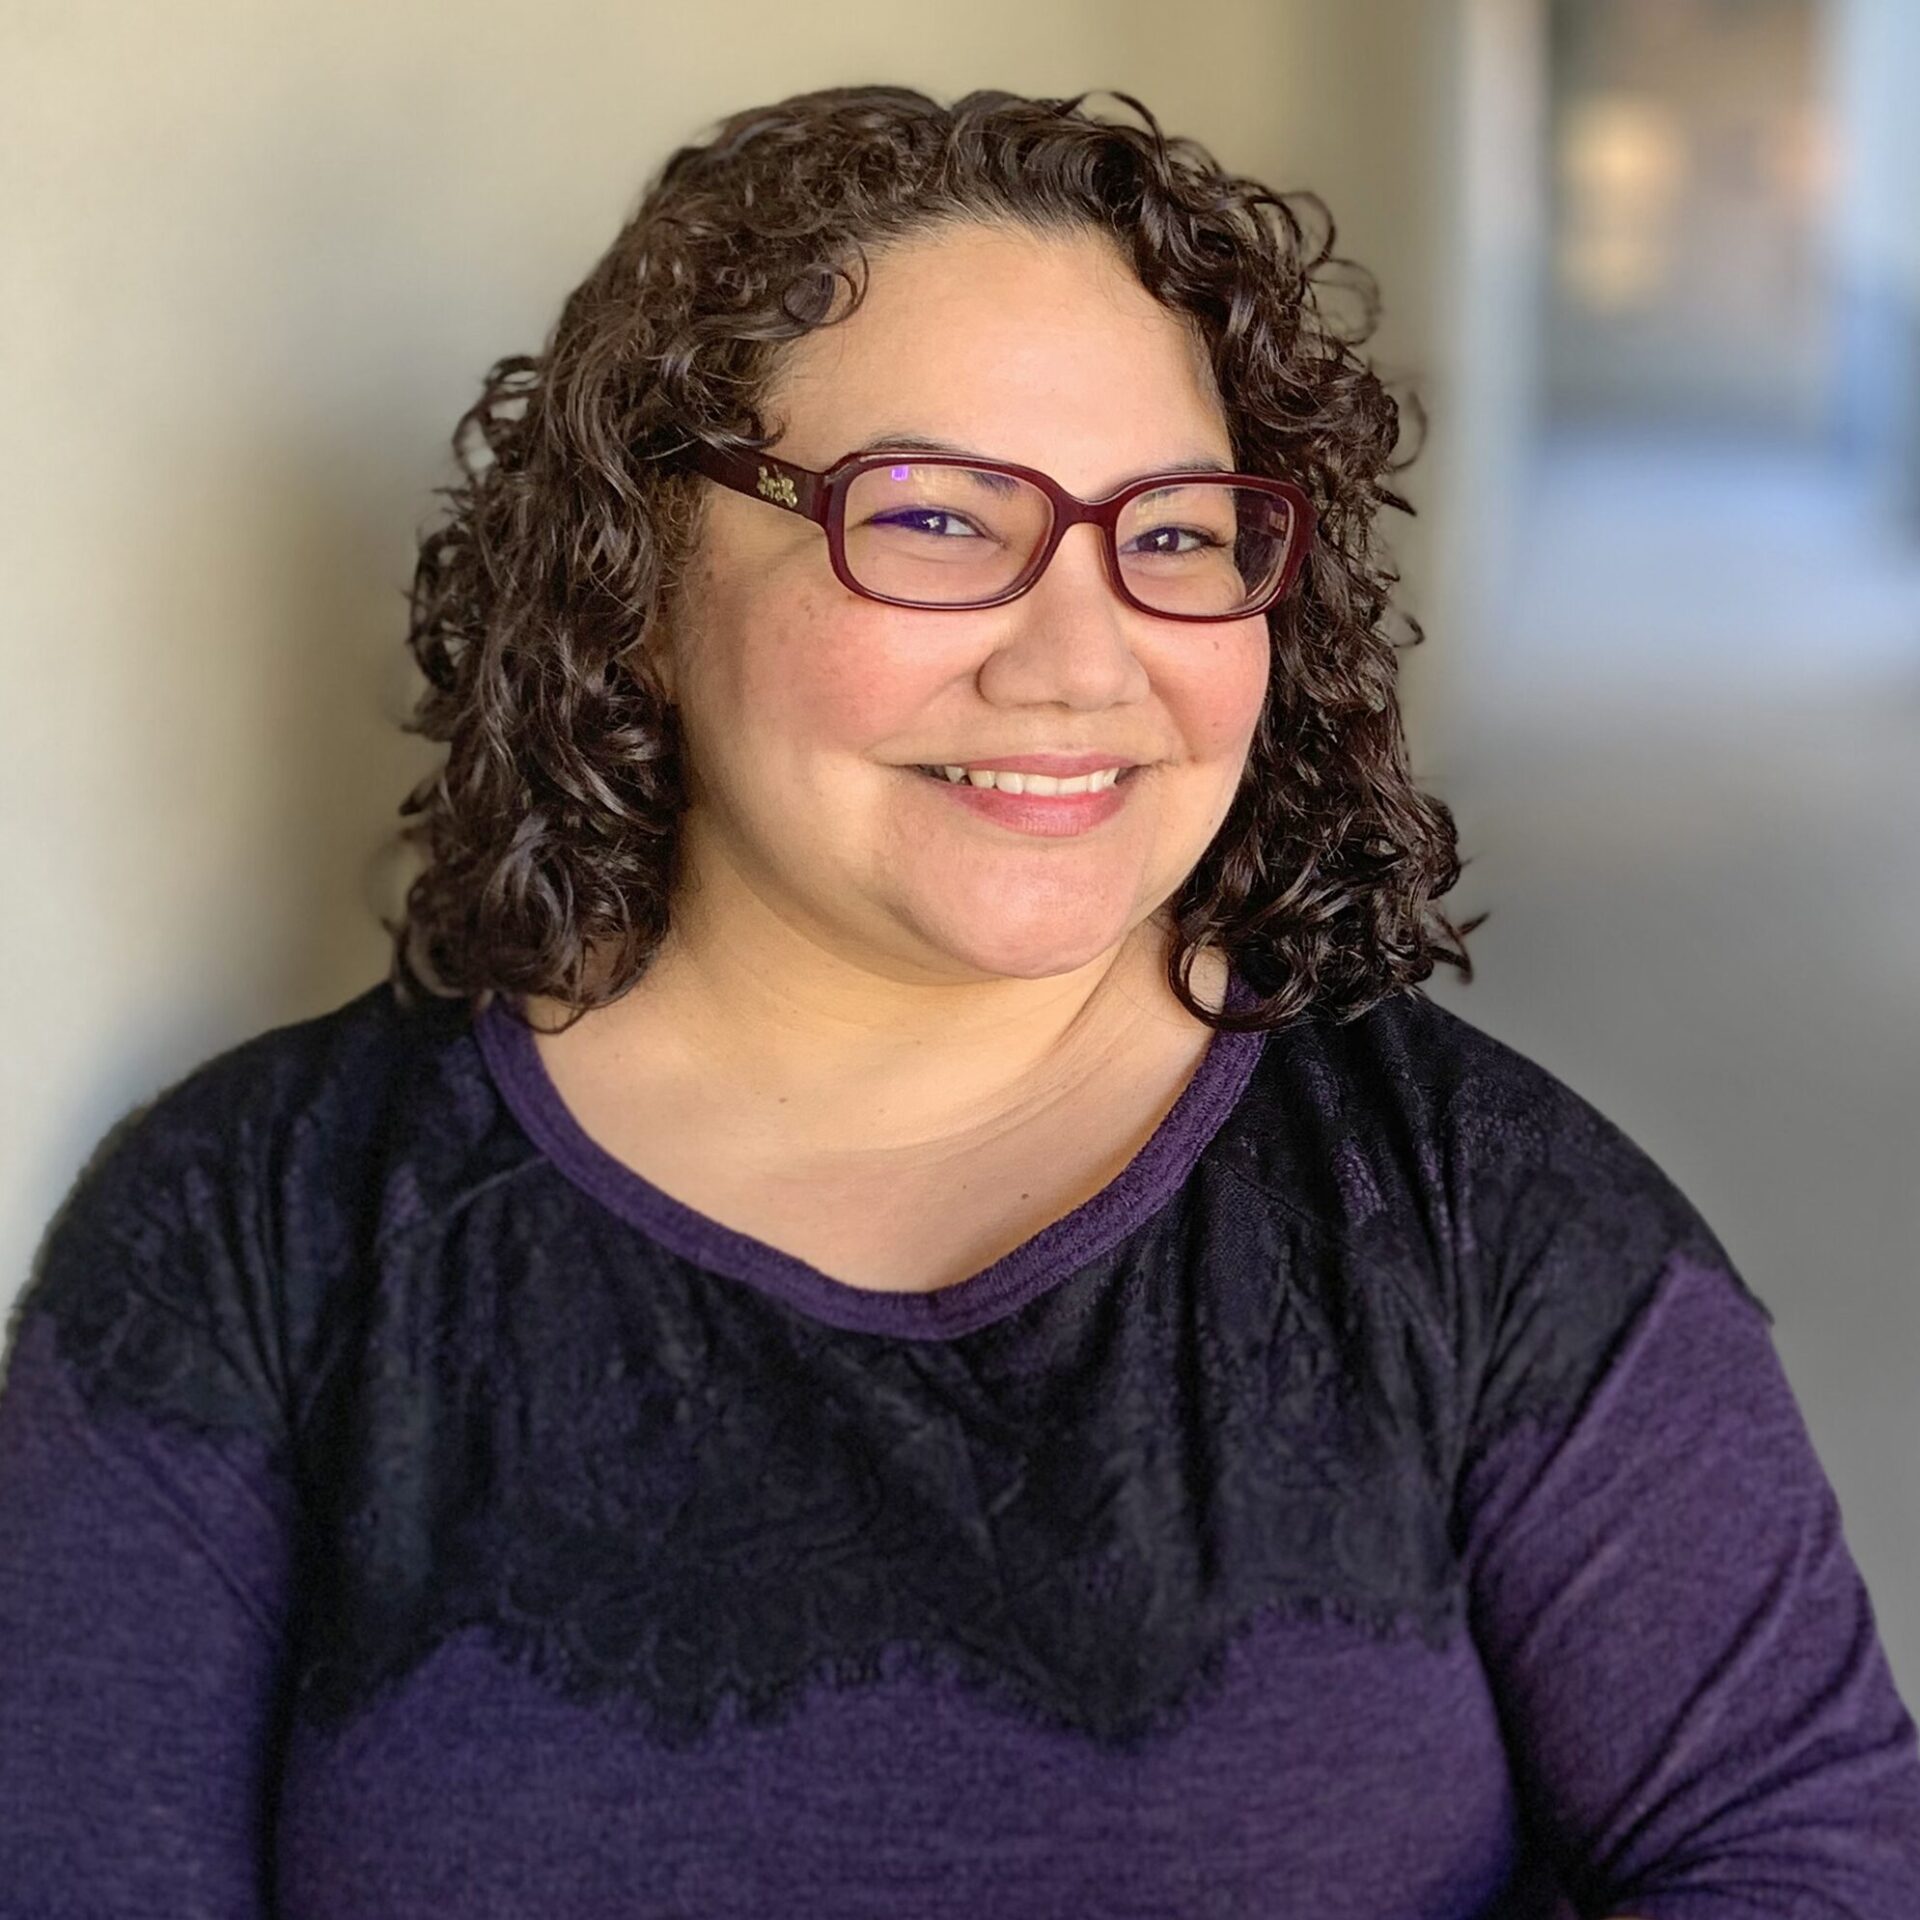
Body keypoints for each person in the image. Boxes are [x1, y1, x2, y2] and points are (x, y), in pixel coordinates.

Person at [1, 82, 1916, 1920]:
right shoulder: (247, 1232)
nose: (1082, 660)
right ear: (640, 580)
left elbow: (1808, 1856)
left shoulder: (1481, 1222)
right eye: (932, 516)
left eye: (1172, 533)